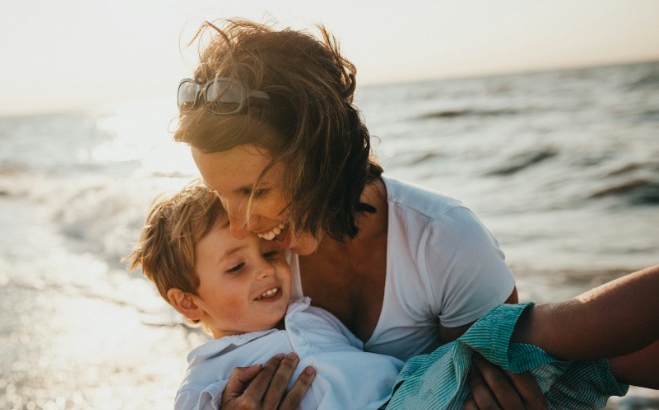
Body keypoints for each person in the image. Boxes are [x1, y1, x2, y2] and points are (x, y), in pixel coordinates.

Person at [173, 18, 532, 409]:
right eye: (219, 193)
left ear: (320, 158)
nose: (241, 226)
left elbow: (503, 387)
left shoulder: (445, 242)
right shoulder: (256, 262)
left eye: (254, 192)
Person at [127, 182, 658, 409]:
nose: (268, 271)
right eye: (237, 268)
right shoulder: (210, 374)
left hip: (422, 388)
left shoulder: (307, 314)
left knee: (596, 362)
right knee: (535, 333)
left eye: (267, 254)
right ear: (188, 304)